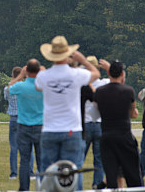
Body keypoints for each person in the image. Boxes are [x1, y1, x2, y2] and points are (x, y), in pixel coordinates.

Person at [35, 35, 99, 173]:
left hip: (50, 129)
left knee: (47, 172)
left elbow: (38, 86)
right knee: (73, 172)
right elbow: (96, 73)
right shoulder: (76, 74)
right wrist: (82, 60)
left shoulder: (43, 76)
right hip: (72, 129)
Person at [94, 60, 143, 188]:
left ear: (109, 73)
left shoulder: (100, 91)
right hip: (124, 136)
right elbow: (133, 114)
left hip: (107, 136)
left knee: (111, 177)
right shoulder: (128, 91)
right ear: (122, 74)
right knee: (133, 174)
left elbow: (98, 109)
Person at [9, 59, 43, 191]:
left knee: (24, 159)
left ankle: (24, 188)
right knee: (41, 160)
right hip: (40, 125)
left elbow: (9, 88)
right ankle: (42, 187)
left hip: (23, 126)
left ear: (27, 71)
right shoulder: (43, 86)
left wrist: (20, 76)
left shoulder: (21, 86)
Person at [83, 56, 110, 189]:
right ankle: (96, 184)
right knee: (99, 159)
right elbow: (118, 80)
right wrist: (109, 68)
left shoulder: (82, 83)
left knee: (79, 158)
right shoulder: (103, 83)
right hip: (99, 123)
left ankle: (77, 184)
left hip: (85, 124)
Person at [4, 66, 22, 180]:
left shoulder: (7, 88)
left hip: (13, 118)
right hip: (24, 118)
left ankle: (13, 173)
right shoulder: (24, 87)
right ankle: (30, 171)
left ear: (12, 75)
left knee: (13, 147)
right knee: (27, 147)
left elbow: (6, 97)